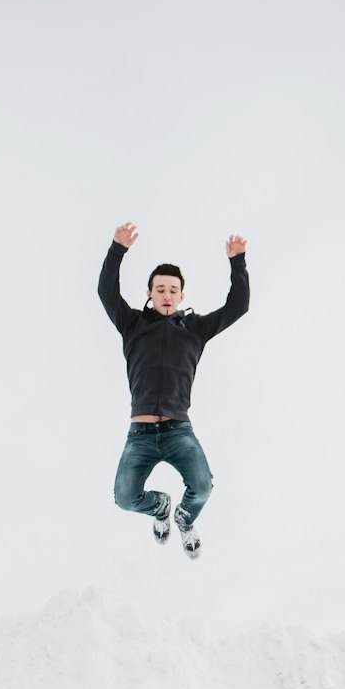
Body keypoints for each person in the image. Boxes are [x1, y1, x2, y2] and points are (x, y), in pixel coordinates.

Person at [98, 221, 249, 558]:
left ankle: (183, 517)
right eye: (160, 289)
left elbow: (238, 306)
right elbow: (106, 292)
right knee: (124, 497)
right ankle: (161, 507)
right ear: (150, 293)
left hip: (179, 430)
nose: (166, 295)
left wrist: (237, 262)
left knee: (202, 487)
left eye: (172, 290)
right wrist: (116, 250)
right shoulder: (132, 324)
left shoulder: (195, 329)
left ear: (182, 295)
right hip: (139, 433)